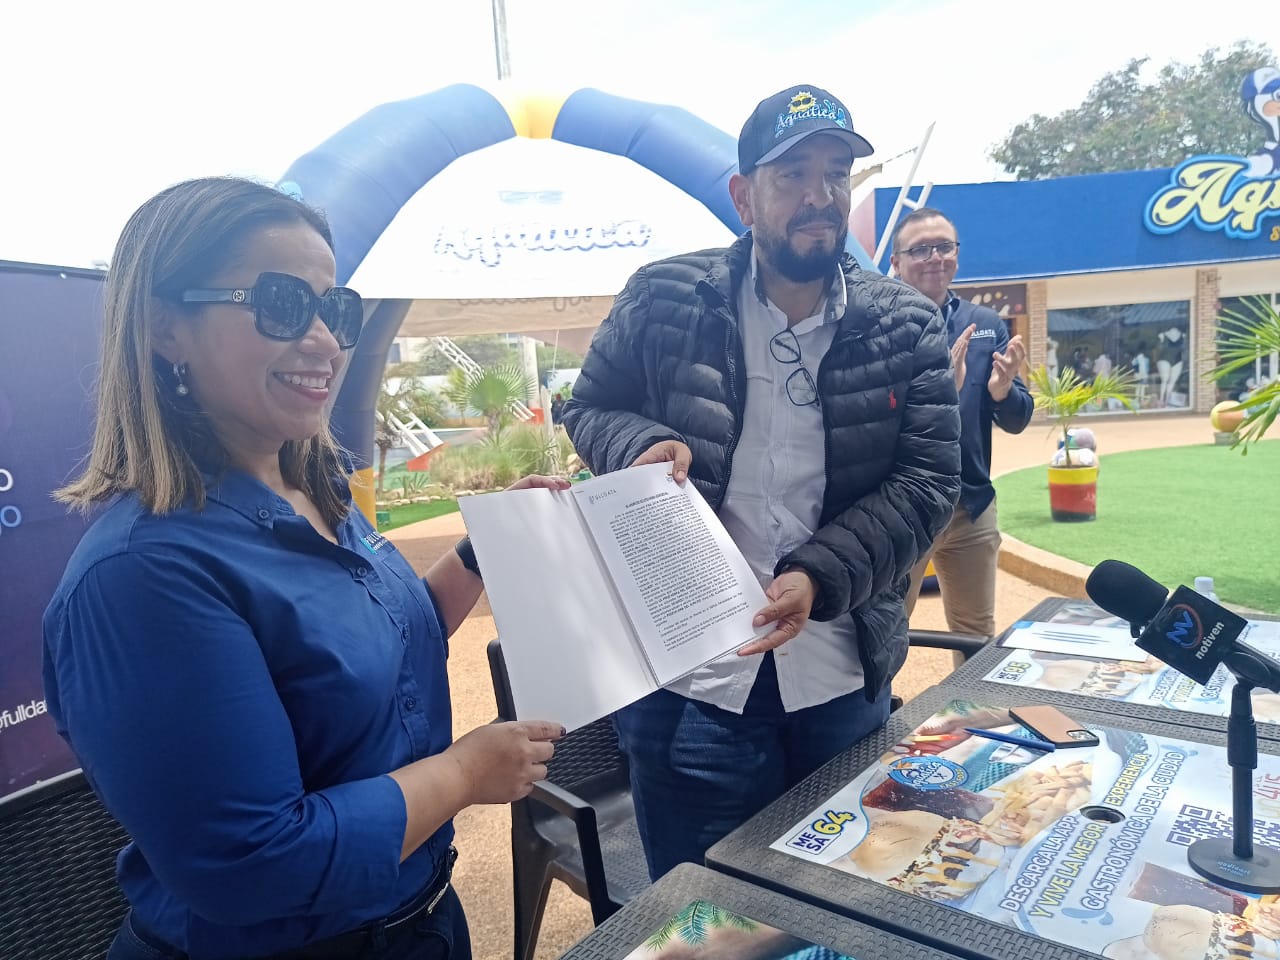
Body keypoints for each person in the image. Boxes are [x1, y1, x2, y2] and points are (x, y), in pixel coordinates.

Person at [42, 177, 566, 960]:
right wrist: (463, 773)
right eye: (282, 303)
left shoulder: (314, 492)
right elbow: (253, 864)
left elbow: (376, 645)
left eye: (336, 308)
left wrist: (482, 552)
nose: (324, 339)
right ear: (164, 327)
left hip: (420, 927)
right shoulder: (143, 575)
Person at [561, 85, 961, 878]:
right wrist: (639, 442)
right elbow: (589, 407)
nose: (819, 195)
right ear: (744, 197)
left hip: (839, 676)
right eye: (792, 175)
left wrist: (820, 574)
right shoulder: (663, 298)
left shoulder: (904, 322)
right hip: (692, 684)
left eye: (835, 173)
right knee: (704, 911)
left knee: (843, 897)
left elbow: (929, 480)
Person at [895, 207, 1033, 641]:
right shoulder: (879, 326)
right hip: (904, 508)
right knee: (887, 630)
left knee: (976, 635)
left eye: (944, 246)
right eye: (920, 249)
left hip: (971, 506)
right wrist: (939, 392)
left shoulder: (985, 326)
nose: (935, 257)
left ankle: (973, 692)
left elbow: (1017, 419)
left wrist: (1003, 391)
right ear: (896, 261)